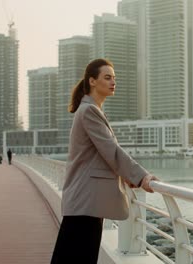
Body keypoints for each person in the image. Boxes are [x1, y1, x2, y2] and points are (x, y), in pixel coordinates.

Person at [50, 59, 159, 264]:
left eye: (114, 78)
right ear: (92, 81)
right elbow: (112, 151)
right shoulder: (89, 111)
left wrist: (127, 176)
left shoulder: (91, 110)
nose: (113, 82)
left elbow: (103, 155)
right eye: (107, 77)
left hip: (87, 201)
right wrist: (141, 176)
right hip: (86, 201)